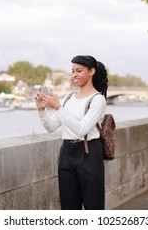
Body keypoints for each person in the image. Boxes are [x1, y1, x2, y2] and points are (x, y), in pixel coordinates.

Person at [34, 55, 108, 210]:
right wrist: (41, 109)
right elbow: (51, 127)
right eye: (73, 71)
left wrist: (58, 108)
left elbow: (82, 129)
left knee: (93, 206)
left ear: (91, 71)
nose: (74, 74)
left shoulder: (97, 100)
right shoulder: (68, 98)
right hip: (67, 152)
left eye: (79, 70)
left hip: (89, 152)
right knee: (68, 207)